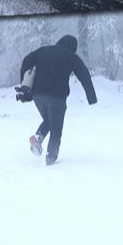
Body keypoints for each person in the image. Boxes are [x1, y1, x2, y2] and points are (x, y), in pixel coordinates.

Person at [19, 34, 97, 165]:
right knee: (56, 129)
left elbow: (26, 61)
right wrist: (91, 97)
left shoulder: (43, 50)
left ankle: (38, 138)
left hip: (38, 96)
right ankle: (51, 158)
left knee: (49, 120)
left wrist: (24, 84)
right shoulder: (70, 56)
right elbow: (84, 74)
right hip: (56, 97)